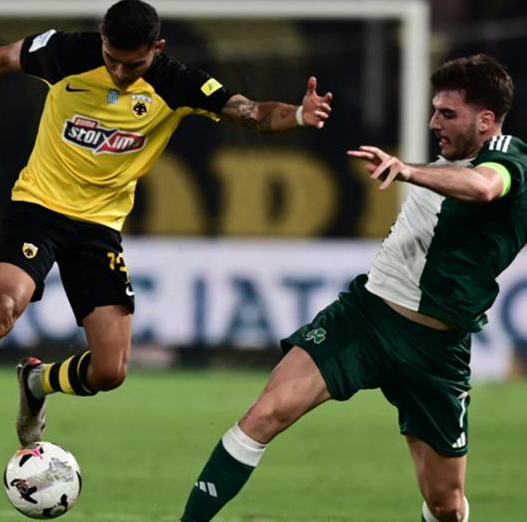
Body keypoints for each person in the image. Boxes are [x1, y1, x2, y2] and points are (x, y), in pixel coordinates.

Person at [0, 0, 333, 451]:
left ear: (157, 48)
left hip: (98, 230)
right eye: (112, 59)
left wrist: (298, 115)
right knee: (2, 306)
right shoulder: (68, 52)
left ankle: (36, 382)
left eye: (134, 64)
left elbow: (252, 112)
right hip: (37, 208)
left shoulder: (176, 82)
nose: (121, 72)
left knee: (110, 371)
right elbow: (2, 57)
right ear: (102, 38)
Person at [179, 53, 526, 522]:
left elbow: (484, 187)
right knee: (264, 415)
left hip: (437, 351)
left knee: (445, 504)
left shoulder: (509, 159)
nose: (433, 123)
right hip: (366, 318)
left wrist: (407, 170)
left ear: (485, 120)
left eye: (447, 113)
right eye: (434, 111)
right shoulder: (446, 164)